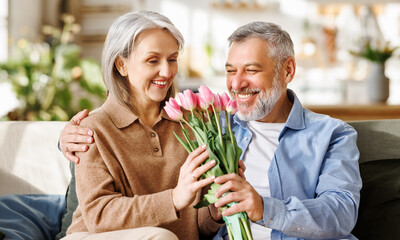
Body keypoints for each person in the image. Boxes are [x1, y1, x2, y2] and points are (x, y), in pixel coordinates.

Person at [61, 21, 362, 240]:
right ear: (121, 65)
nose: (237, 83)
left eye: (252, 70)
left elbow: (341, 213)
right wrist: (64, 139)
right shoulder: (211, 126)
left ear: (288, 71)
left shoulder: (331, 134)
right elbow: (99, 198)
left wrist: (252, 208)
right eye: (231, 70)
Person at [60, 10, 224, 240]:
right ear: (121, 65)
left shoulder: (191, 123)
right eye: (152, 60)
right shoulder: (92, 129)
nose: (167, 72)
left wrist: (217, 210)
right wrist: (174, 198)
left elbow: (194, 226)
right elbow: (99, 216)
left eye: (173, 59)